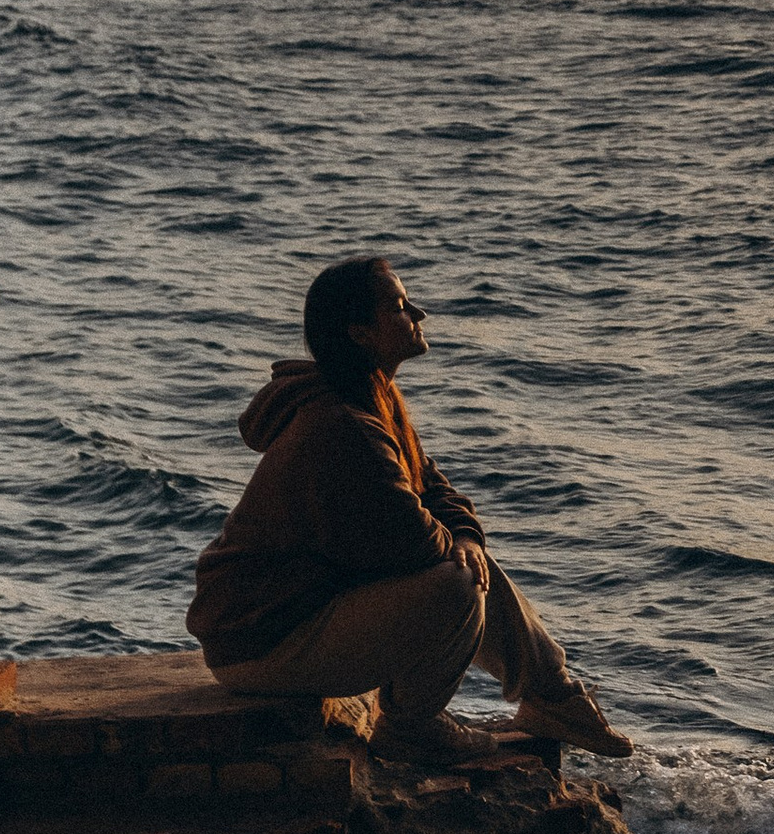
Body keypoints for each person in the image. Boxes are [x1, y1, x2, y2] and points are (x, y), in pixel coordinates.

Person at [188, 256, 632, 765]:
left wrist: (464, 536)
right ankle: (410, 727)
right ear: (360, 333)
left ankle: (553, 696)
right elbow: (412, 540)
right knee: (458, 582)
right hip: (262, 644)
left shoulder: (371, 399)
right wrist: (460, 546)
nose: (418, 312)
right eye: (400, 306)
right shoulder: (341, 425)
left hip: (295, 617)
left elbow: (436, 490)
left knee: (465, 562)